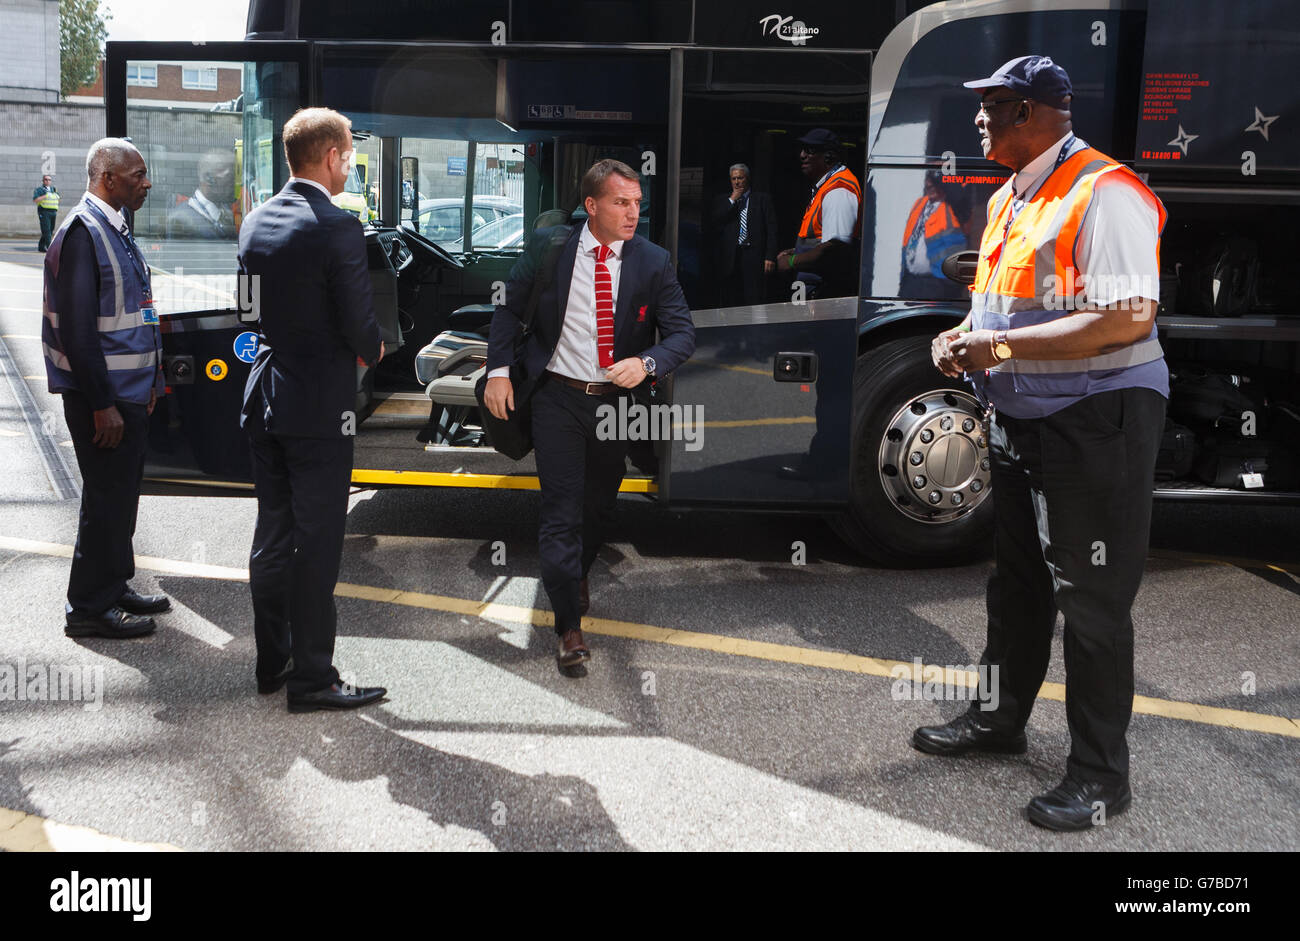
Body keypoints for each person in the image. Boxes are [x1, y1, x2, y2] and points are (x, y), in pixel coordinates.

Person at [914, 56, 1168, 831]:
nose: (979, 121)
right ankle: (998, 721)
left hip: (1097, 423)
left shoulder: (1106, 191)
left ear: (1034, 113)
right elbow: (1004, 308)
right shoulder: (1011, 199)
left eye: (992, 107)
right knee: (1017, 587)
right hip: (1027, 423)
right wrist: (964, 337)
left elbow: (1127, 316)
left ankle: (1099, 778)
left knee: (1089, 603)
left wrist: (1004, 352)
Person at [483, 159, 695, 671]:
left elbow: (683, 335)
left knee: (598, 505)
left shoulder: (653, 261)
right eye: (622, 203)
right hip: (557, 397)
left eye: (638, 203)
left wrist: (645, 364)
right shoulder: (551, 247)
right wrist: (497, 371)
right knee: (560, 510)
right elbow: (509, 309)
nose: (633, 213)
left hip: (616, 404)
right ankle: (568, 627)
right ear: (592, 205)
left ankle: (576, 570)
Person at [238, 107, 387, 713]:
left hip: (264, 399)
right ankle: (313, 679)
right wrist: (373, 348)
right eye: (350, 153)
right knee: (318, 543)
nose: (351, 163)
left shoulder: (254, 222)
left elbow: (248, 313)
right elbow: (360, 328)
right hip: (320, 410)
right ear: (331, 157)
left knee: (272, 534)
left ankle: (272, 662)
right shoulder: (337, 227)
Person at [41, 139, 170, 639]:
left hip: (129, 392)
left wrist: (152, 380)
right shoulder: (82, 232)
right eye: (137, 174)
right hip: (105, 398)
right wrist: (101, 404)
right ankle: (90, 608)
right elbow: (77, 331)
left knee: (119, 500)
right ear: (107, 178)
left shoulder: (114, 227)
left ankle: (113, 584)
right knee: (106, 499)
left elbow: (136, 311)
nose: (147, 182)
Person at [775, 128, 861, 299]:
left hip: (823, 295)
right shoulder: (825, 186)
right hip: (810, 291)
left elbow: (833, 250)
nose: (802, 155)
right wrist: (797, 250)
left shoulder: (839, 191)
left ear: (829, 156)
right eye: (802, 150)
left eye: (810, 150)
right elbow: (821, 238)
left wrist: (791, 262)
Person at [709, 163, 778, 306]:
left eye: (740, 178)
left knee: (754, 296)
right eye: (733, 179)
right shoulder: (723, 200)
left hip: (753, 254)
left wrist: (770, 256)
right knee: (731, 298)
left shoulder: (761, 199)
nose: (736, 182)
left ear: (747, 178)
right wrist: (732, 200)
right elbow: (715, 221)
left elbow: (771, 229)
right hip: (731, 256)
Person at [899, 170, 966, 299]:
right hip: (911, 280)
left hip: (935, 283)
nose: (930, 187)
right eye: (928, 183)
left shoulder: (951, 206)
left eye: (934, 184)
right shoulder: (920, 203)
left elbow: (958, 195)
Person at [167, 151, 237, 240]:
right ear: (208, 178)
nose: (233, 183)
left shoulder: (226, 213)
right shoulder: (180, 219)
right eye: (229, 176)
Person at [33, 174, 60, 252]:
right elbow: (35, 200)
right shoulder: (39, 190)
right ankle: (50, 249)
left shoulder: (54, 189)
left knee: (50, 230)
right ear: (43, 181)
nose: (48, 181)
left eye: (49, 180)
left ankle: (41, 247)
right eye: (46, 179)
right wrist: (45, 196)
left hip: (53, 212)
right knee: (47, 230)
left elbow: (57, 199)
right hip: (44, 212)